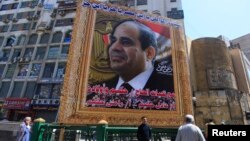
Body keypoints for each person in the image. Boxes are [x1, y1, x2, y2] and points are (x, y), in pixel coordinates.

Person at [87, 19, 174, 110]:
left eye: (125, 42)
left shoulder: (171, 89)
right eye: (113, 41)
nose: (114, 48)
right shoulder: (96, 92)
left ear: (149, 53)